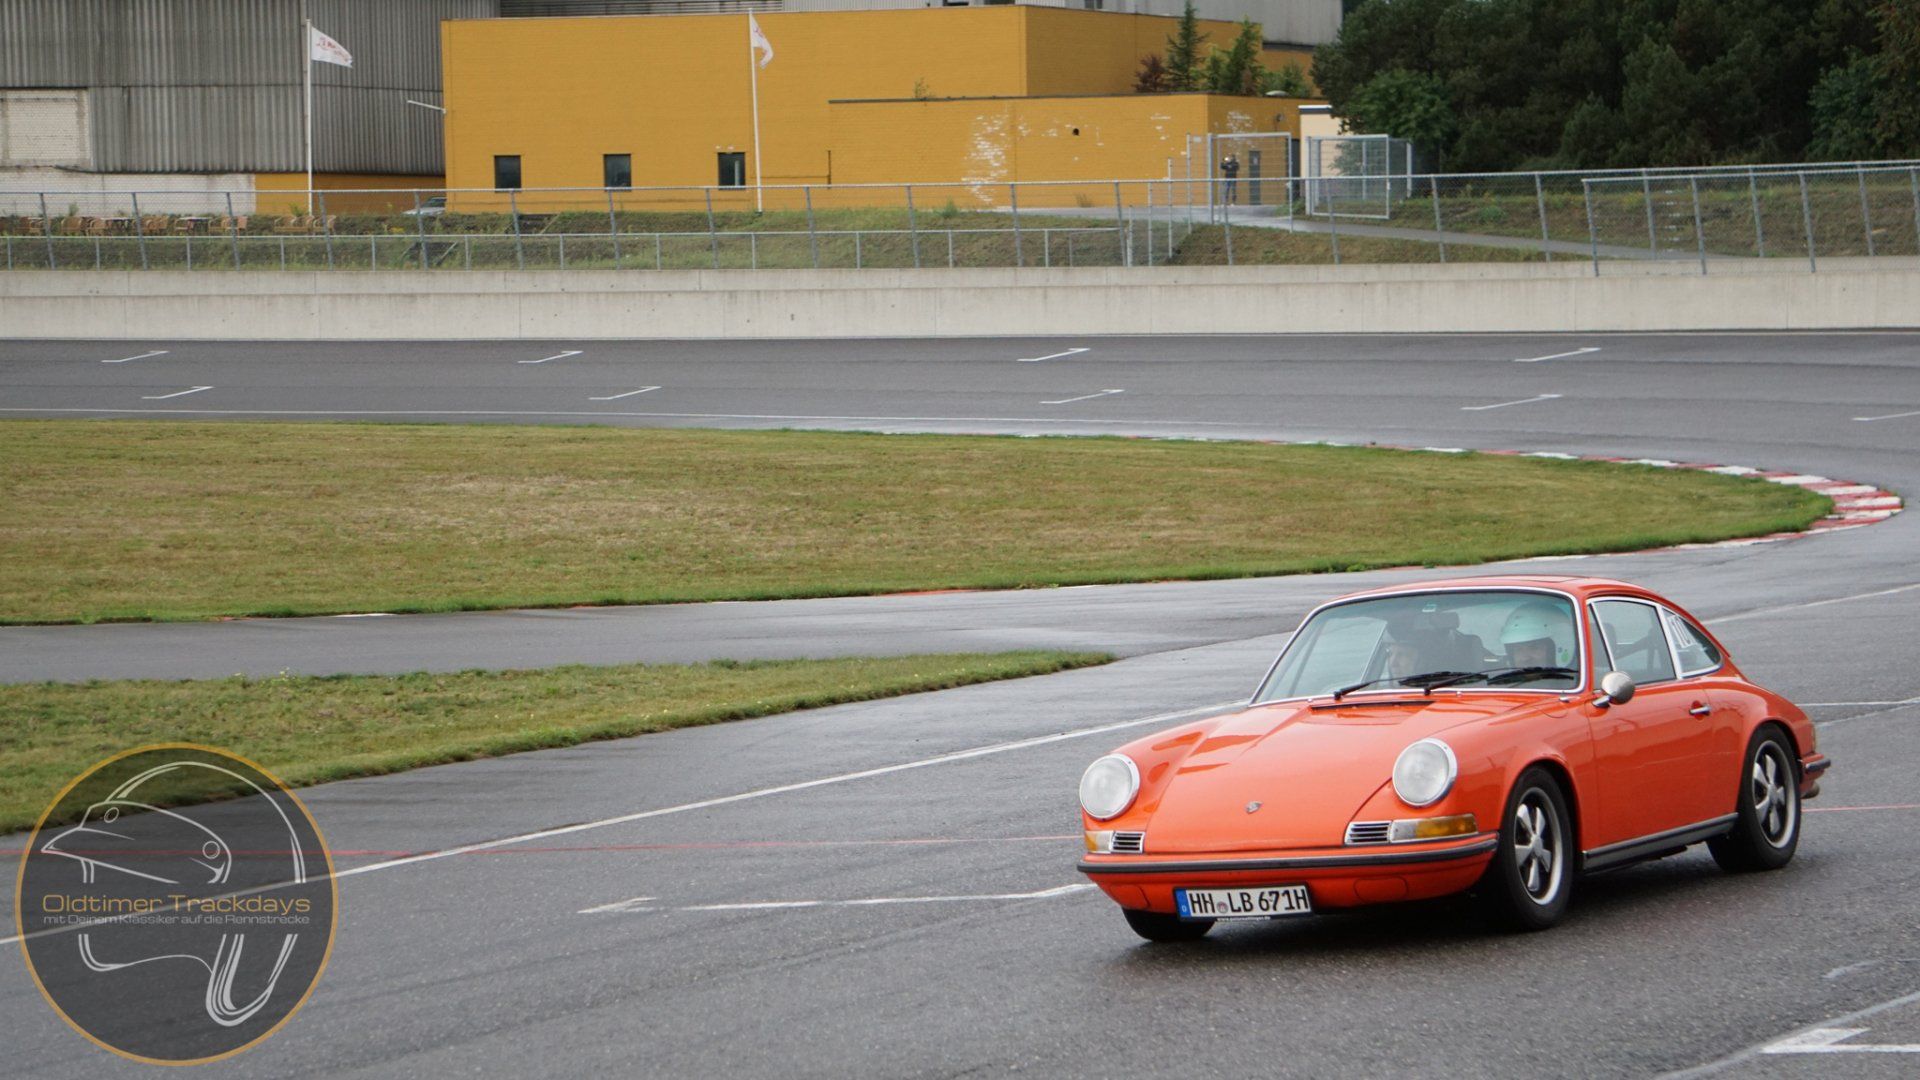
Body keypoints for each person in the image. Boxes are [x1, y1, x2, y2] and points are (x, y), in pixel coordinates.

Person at [1498, 602, 1576, 670]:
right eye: (1518, 649)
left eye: (1534, 648)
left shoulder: (1577, 680)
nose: (1525, 658)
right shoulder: (1500, 682)